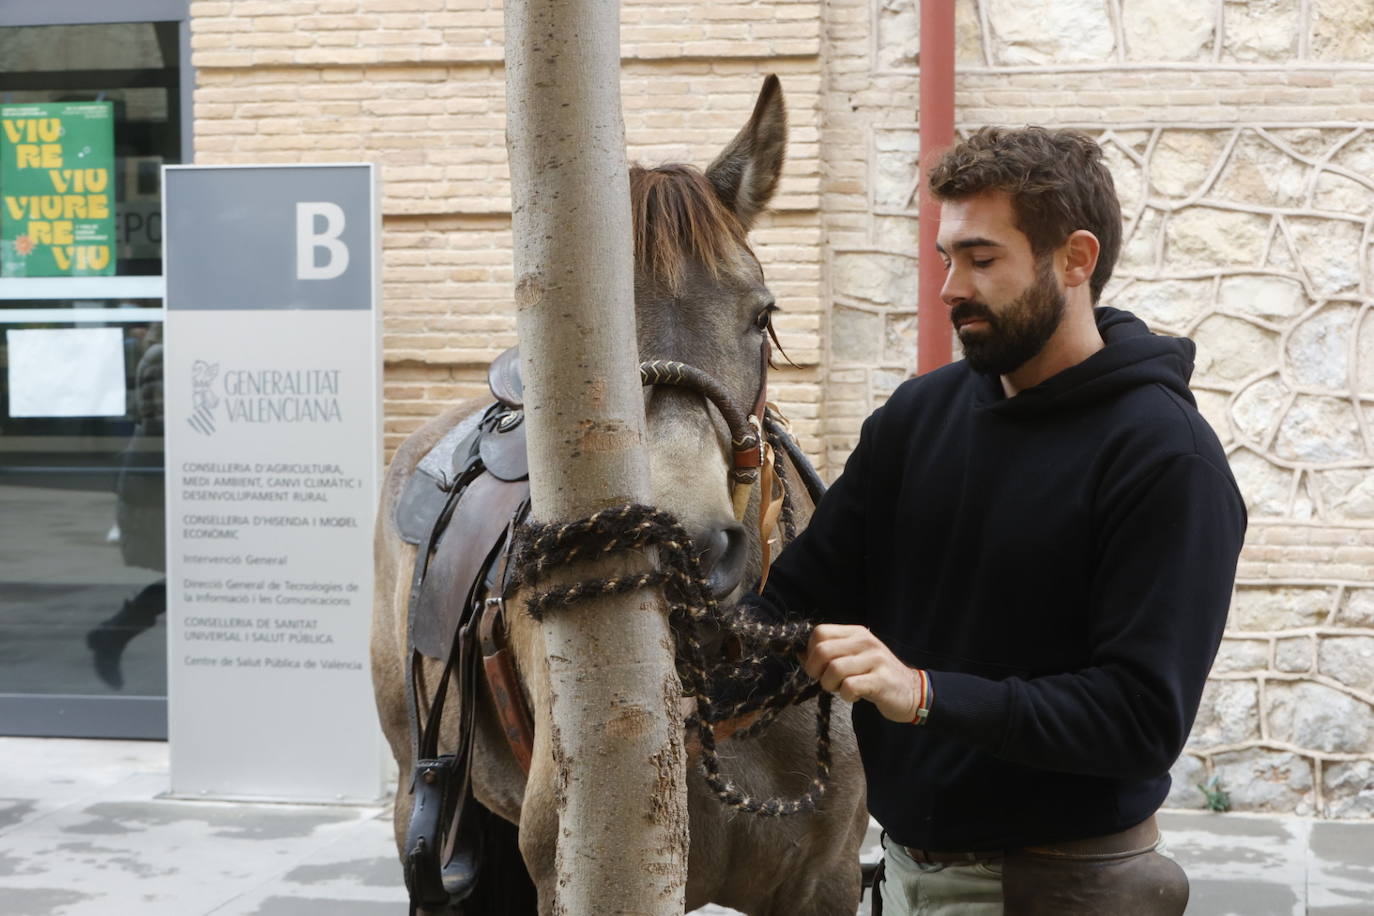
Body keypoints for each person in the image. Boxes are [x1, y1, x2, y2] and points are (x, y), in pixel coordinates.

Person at [754, 127, 1246, 914]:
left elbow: (1139, 718)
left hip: (1065, 887)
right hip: (907, 874)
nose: (950, 286)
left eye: (982, 260)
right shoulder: (919, 417)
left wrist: (922, 693)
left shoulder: (1166, 458)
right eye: (947, 258)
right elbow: (794, 599)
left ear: (1075, 260)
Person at [87, 325, 165, 689]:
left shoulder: (162, 353)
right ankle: (114, 633)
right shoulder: (163, 356)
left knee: (199, 577)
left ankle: (114, 634)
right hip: (160, 483)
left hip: (161, 478)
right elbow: (165, 427)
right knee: (201, 576)